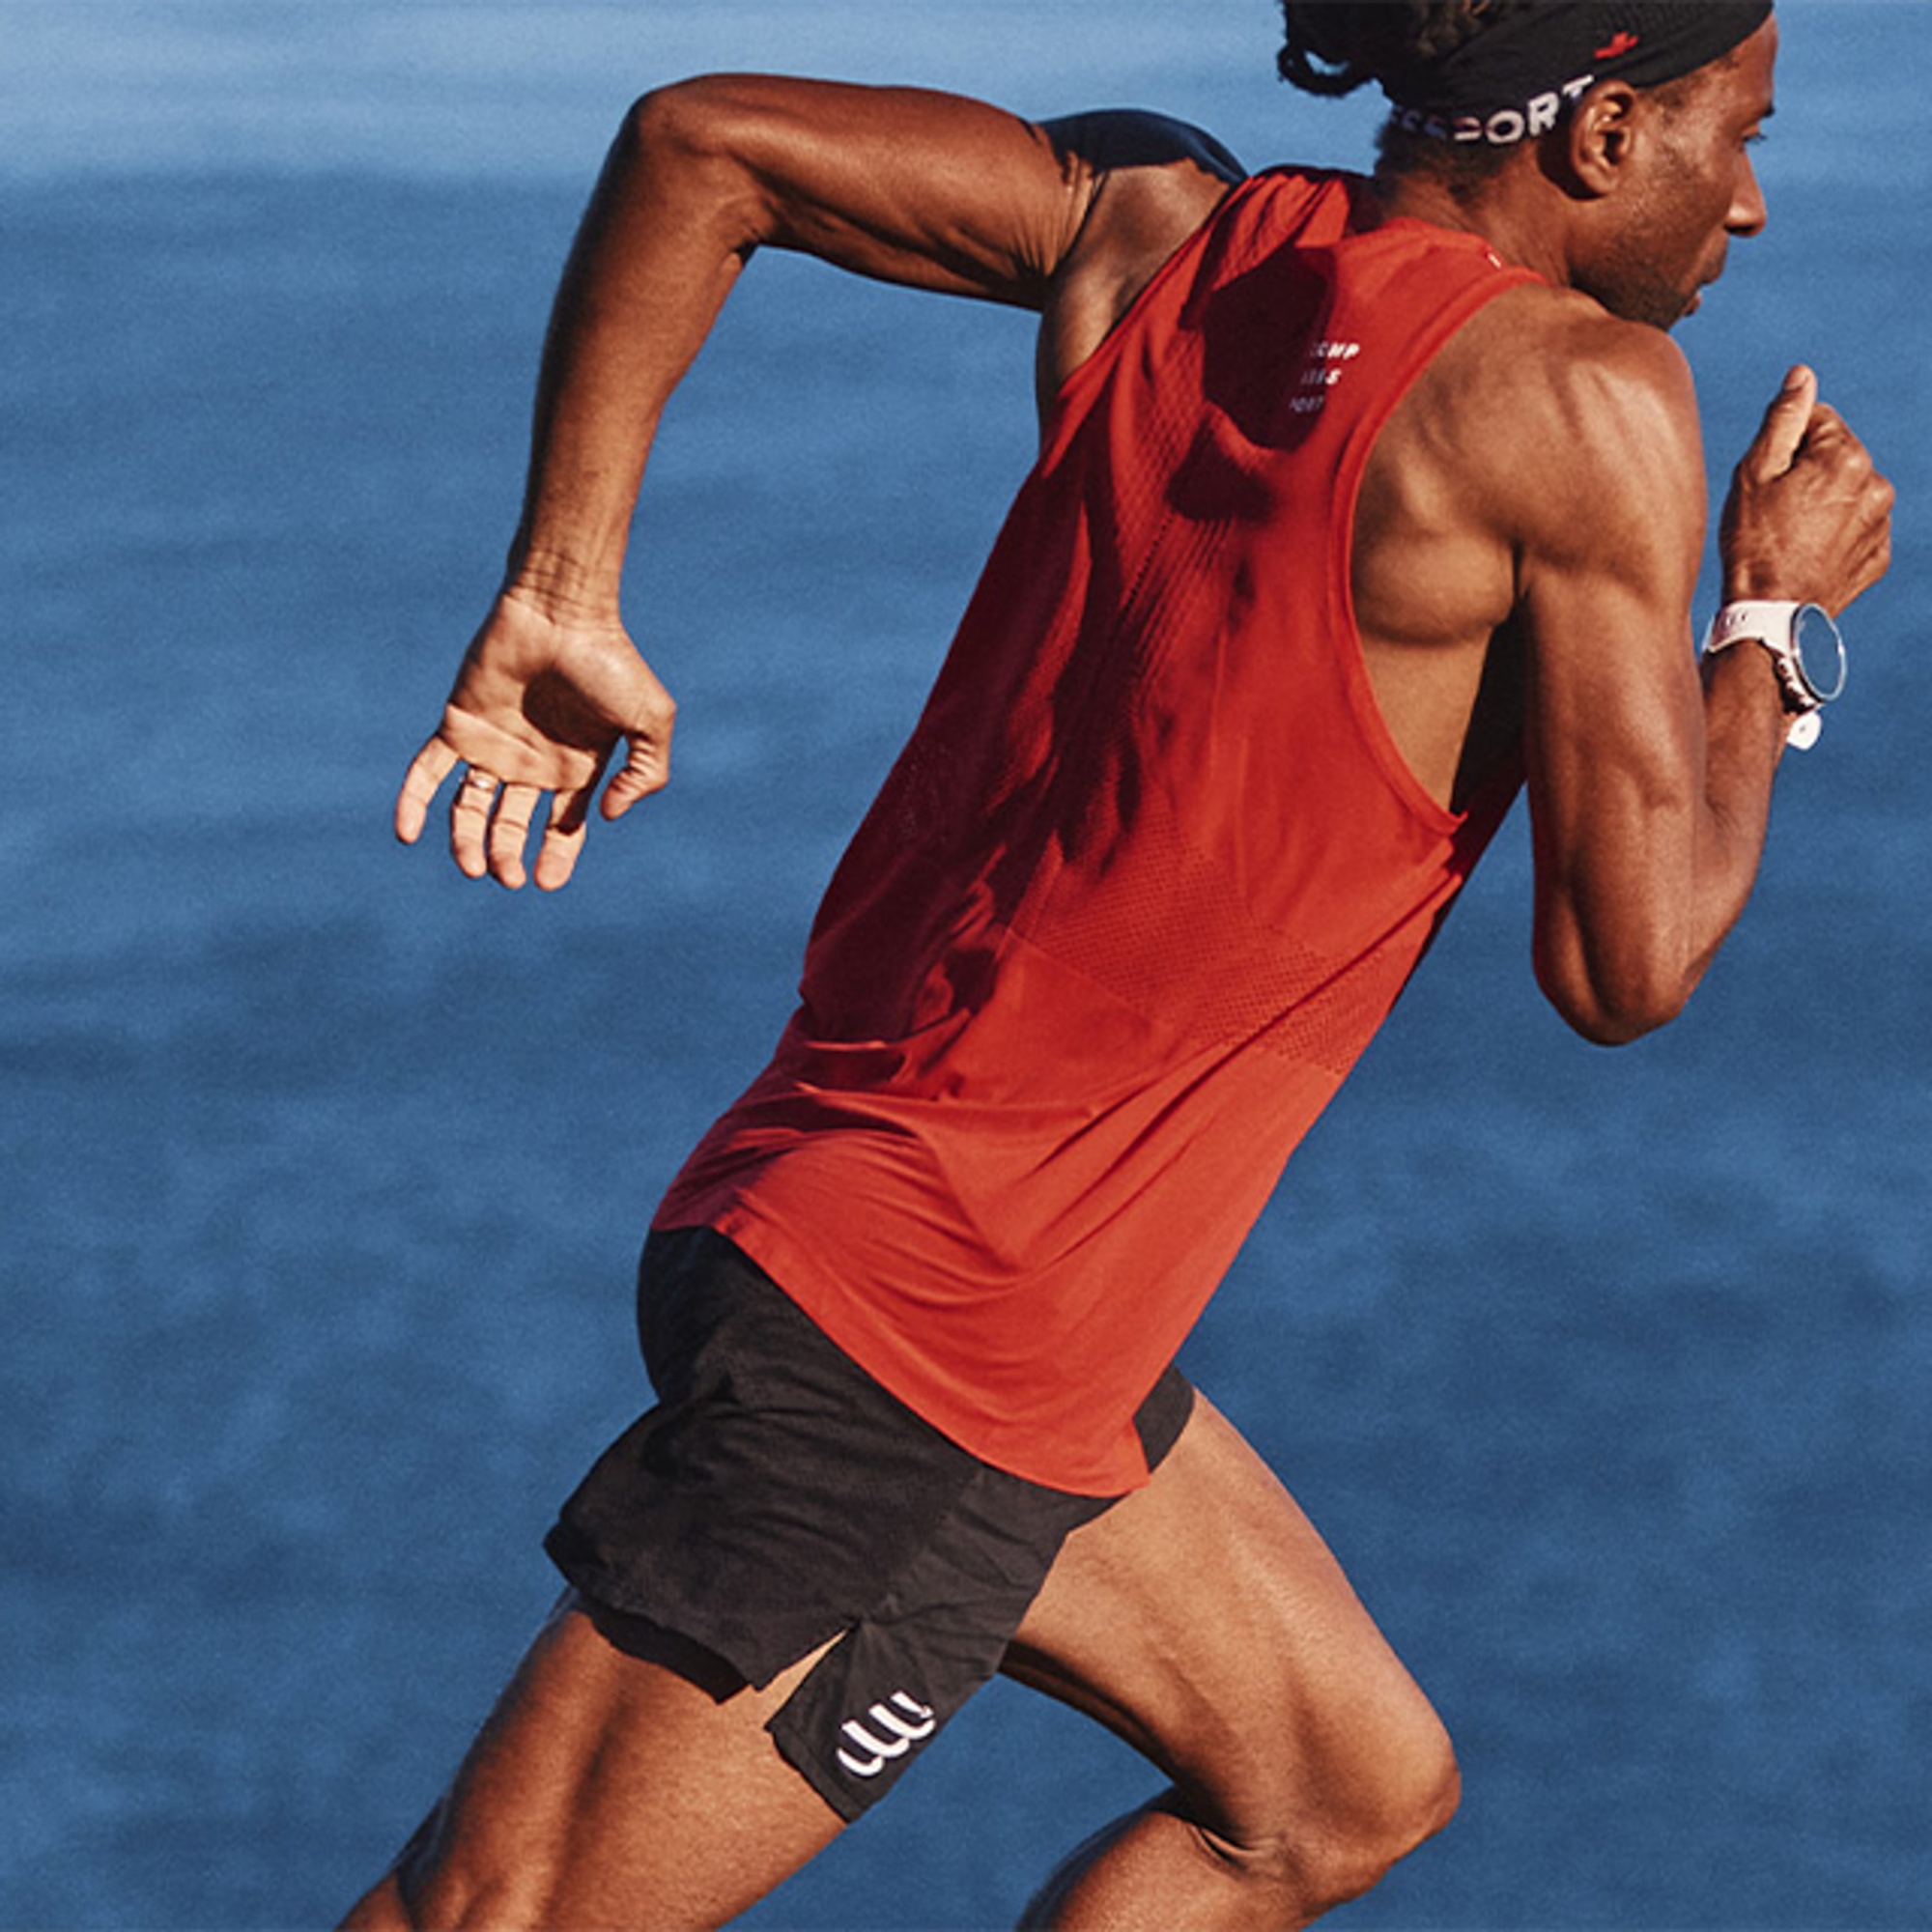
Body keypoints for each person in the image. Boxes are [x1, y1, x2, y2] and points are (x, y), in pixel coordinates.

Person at [352, 2, 1892, 1925]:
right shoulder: (1581, 398)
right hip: (947, 1334)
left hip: (845, 1204)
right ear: (1600, 135)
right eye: (1735, 135)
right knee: (489, 1914)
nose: (1745, 205)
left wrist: (564, 586)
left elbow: (700, 143)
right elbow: (1625, 959)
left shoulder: (1159, 231)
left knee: (1334, 1792)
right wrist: (1769, 628)